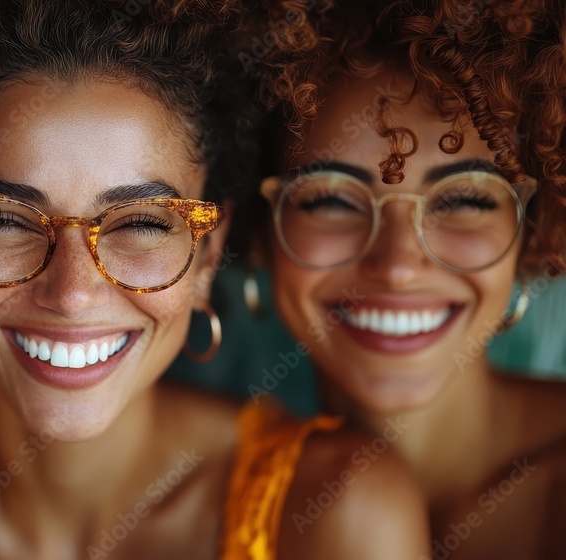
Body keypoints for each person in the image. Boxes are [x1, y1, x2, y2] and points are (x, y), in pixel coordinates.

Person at [0, 1, 429, 558]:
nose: (71, 292)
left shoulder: (340, 513)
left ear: (209, 253)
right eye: (5, 219)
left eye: (141, 224)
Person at [235, 0, 566, 558]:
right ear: (259, 232)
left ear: (528, 229)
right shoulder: (209, 485)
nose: (396, 263)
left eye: (462, 198)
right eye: (333, 200)